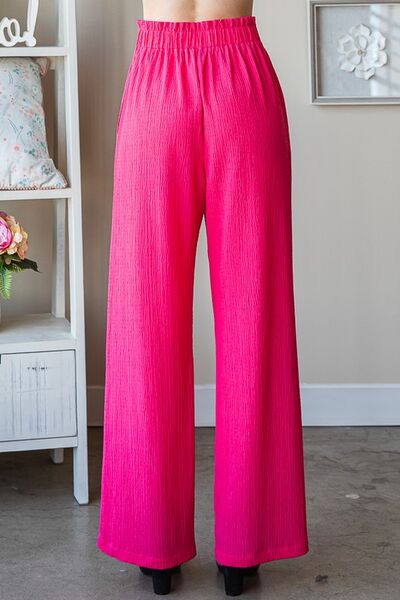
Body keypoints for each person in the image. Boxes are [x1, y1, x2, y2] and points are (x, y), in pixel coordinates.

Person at [97, 0, 309, 595]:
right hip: (242, 84)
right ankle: (245, 547)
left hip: (158, 86)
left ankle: (154, 546)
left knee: (144, 316)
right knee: (255, 313)